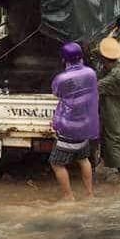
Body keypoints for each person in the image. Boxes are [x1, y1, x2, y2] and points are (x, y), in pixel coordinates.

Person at [49, 42, 100, 201]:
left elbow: (56, 94)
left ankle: (68, 196)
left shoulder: (61, 78)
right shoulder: (91, 73)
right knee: (83, 159)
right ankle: (90, 194)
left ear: (64, 59)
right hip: (86, 126)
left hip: (68, 127)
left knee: (56, 163)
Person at [97, 37, 120, 184]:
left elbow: (96, 86)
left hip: (114, 111)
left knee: (115, 140)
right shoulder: (114, 68)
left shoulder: (116, 75)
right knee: (118, 138)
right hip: (114, 109)